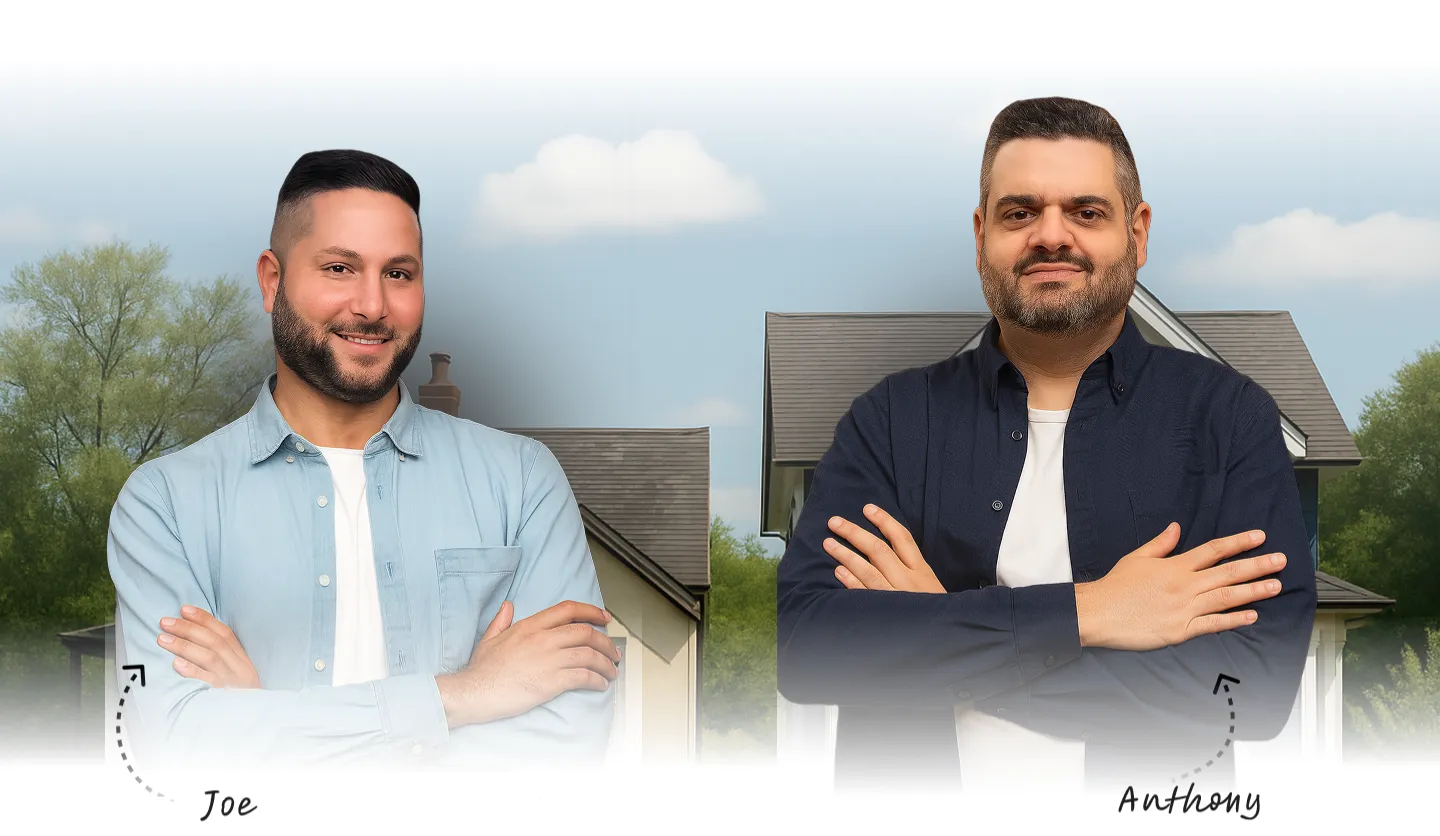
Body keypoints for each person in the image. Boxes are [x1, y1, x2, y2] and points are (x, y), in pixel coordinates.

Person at [774, 97, 1316, 794]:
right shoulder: (889, 423)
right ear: (980, 237)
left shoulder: (1229, 421)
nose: (1050, 236)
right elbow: (811, 651)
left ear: (1138, 231)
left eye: (1086, 213)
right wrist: (1094, 612)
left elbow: (1252, 692)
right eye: (1019, 213)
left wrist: (937, 634)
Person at [107, 149, 618, 773]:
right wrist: (466, 694)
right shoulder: (165, 504)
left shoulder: (524, 482)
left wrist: (260, 719)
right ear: (272, 281)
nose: (372, 306)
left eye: (399, 274)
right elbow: (172, 747)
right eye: (340, 268)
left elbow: (565, 747)